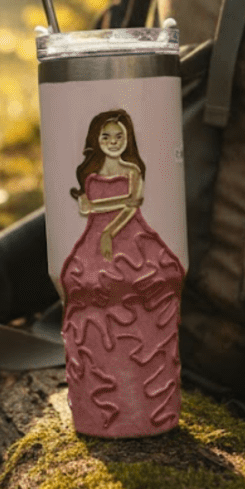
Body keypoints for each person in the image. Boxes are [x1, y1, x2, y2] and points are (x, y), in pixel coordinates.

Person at [60, 108, 185, 436]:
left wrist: (106, 233)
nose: (112, 142)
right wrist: (93, 216)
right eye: (106, 137)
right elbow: (92, 207)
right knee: (89, 303)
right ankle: (99, 408)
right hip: (95, 239)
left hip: (130, 239)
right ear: (96, 141)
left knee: (146, 295)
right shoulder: (90, 177)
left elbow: (132, 205)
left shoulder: (132, 170)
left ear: (127, 139)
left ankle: (150, 406)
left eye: (119, 137)